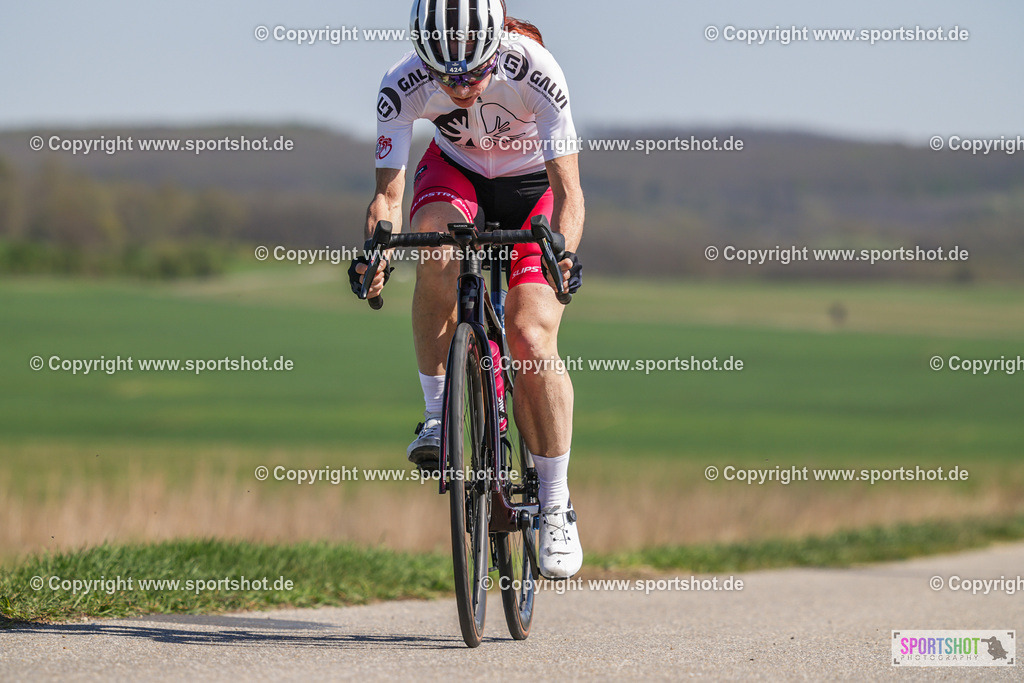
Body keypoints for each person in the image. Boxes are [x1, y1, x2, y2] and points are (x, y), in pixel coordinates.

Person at [350, 0, 584, 579]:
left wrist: (564, 254)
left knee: (530, 334)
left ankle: (556, 504)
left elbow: (570, 194)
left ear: (496, 45)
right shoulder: (400, 83)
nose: (458, 86)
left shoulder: (535, 69)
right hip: (456, 174)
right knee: (433, 246)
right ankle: (437, 416)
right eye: (444, 75)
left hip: (534, 189)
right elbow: (387, 200)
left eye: (473, 73)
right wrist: (376, 251)